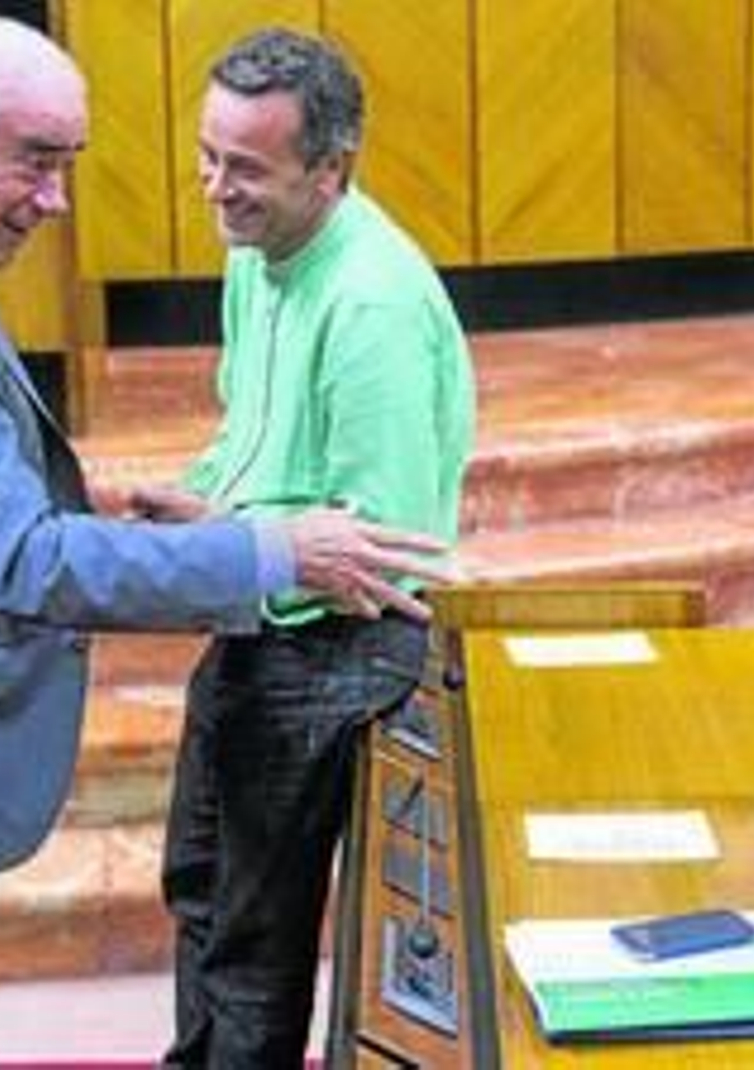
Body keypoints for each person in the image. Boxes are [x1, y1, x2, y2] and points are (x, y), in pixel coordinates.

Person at [0, 16, 453, 1068]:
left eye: (67, 166)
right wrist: (270, 551)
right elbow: (25, 560)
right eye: (37, 163)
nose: (55, 200)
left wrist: (194, 513)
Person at [128, 27, 476, 1068]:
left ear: (332, 168)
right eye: (206, 154)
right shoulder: (258, 253)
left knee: (251, 943)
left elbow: (372, 551)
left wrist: (219, 542)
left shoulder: (369, 301)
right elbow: (248, 445)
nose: (214, 186)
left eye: (246, 167)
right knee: (198, 888)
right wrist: (200, 502)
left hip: (334, 647)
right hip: (260, 605)